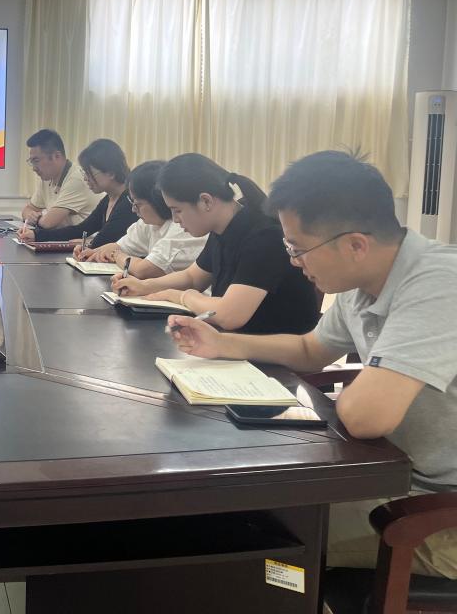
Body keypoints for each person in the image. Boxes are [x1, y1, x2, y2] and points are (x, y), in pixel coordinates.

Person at [167, 150, 457, 578]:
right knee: (233, 508)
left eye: (298, 248)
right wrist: (222, 343)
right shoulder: (366, 282)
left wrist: (363, 391)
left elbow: (366, 417)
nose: (292, 261)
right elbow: (310, 349)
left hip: (436, 514)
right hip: (393, 478)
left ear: (355, 245)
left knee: (253, 539)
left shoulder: (440, 283)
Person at [113, 153, 319, 334]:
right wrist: (144, 287)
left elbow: (230, 315)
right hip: (234, 343)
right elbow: (193, 277)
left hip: (271, 357)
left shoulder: (263, 235)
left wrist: (178, 296)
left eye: (177, 210)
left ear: (206, 201)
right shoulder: (223, 227)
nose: (175, 220)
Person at [84, 160, 208, 277]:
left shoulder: (182, 226)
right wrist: (92, 253)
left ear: (158, 200)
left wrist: (116, 255)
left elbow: (143, 270)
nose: (133, 210)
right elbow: (118, 246)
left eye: (137, 204)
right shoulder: (149, 223)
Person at [17, 139, 134, 251]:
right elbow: (81, 229)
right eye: (84, 173)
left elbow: (104, 241)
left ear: (111, 173)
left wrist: (87, 243)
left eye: (89, 173)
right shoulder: (108, 199)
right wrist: (36, 235)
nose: (85, 178)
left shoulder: (129, 201)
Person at [20, 129, 98, 230]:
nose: (34, 168)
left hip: (86, 239)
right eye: (31, 162)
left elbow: (48, 223)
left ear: (56, 156)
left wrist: (37, 218)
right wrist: (31, 216)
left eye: (36, 160)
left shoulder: (77, 179)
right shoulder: (47, 178)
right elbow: (27, 210)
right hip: (63, 237)